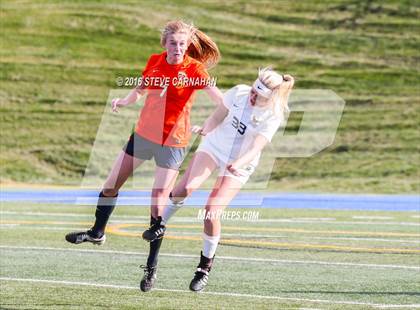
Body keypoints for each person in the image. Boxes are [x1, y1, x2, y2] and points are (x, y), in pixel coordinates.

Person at [64, 20, 223, 292]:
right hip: (143, 135)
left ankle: (151, 269)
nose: (178, 47)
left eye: (183, 43)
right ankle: (97, 232)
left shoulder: (195, 69)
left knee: (158, 204)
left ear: (188, 46)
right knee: (111, 185)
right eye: (173, 43)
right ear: (165, 44)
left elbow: (221, 101)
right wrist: (124, 101)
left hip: (173, 141)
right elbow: (140, 89)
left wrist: (211, 126)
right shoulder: (154, 61)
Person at [142, 67, 294, 292]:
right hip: (214, 147)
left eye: (258, 95)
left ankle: (204, 268)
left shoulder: (273, 114)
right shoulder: (239, 92)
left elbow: (256, 147)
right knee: (186, 188)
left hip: (240, 162)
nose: (252, 96)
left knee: (211, 211)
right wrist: (205, 129)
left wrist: (239, 163)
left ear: (270, 97)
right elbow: (217, 116)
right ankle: (160, 224)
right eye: (253, 90)